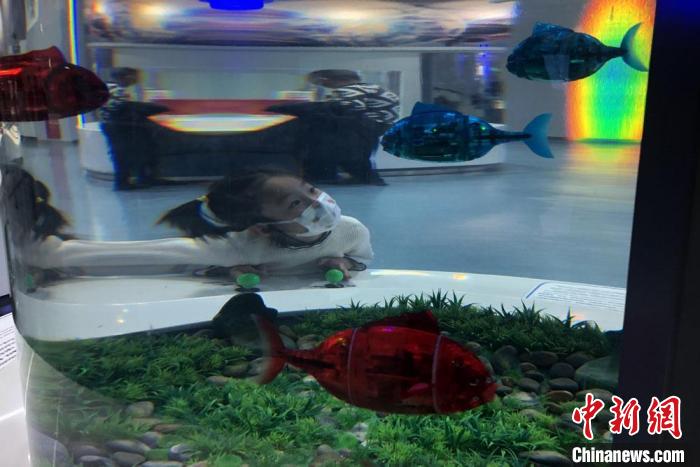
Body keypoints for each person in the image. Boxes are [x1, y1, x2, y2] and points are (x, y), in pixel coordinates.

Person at [19, 169, 373, 282]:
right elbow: (161, 255)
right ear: (262, 227)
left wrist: (345, 262)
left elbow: (362, 259)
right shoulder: (241, 246)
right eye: (294, 204)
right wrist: (49, 256)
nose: (317, 202)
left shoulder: (351, 229)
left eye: (310, 190)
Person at [304, 69, 400, 185]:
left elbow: (348, 110)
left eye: (322, 81)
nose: (322, 84)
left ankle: (324, 174)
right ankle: (361, 176)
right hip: (381, 125)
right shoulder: (373, 88)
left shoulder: (349, 90)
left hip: (363, 126)